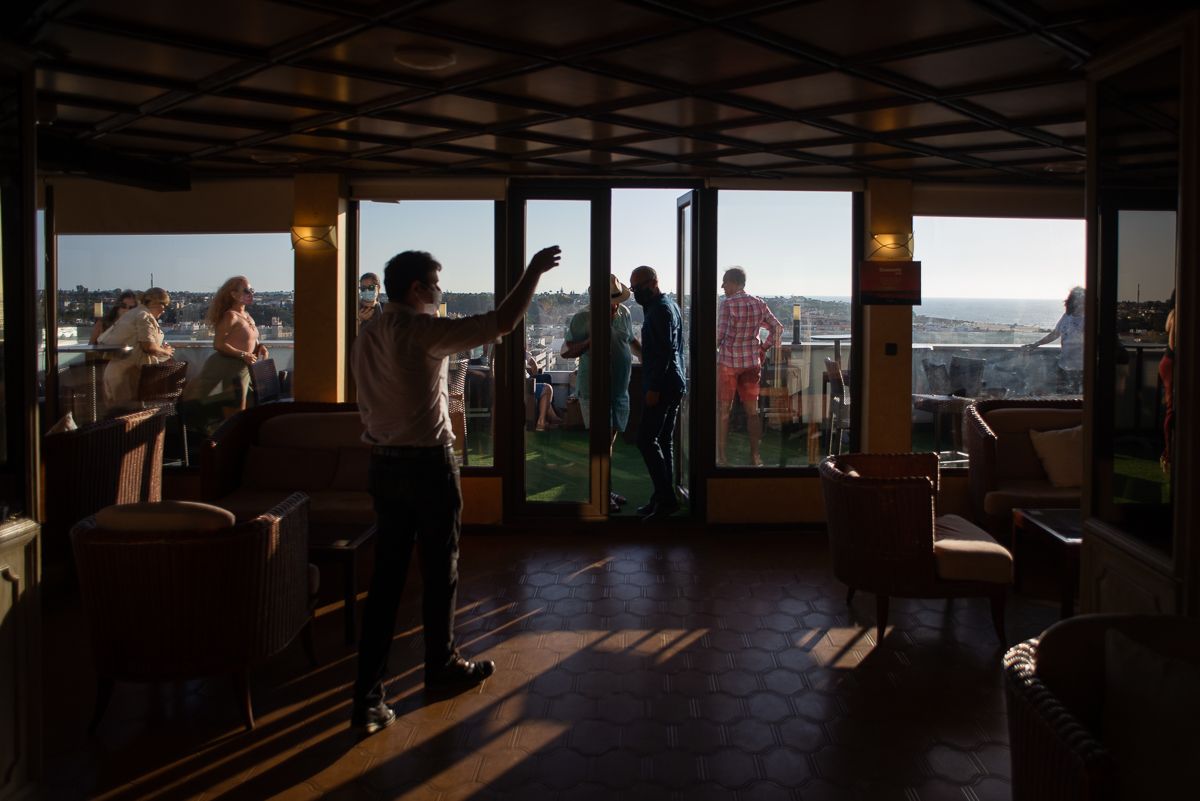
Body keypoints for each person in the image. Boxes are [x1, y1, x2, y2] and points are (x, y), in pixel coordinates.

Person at [350, 245, 561, 735]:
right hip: (427, 465)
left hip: (382, 464)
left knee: (386, 582)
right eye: (436, 283)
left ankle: (368, 698)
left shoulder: (369, 331)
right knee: (440, 570)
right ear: (417, 289)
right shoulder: (423, 331)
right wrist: (532, 271)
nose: (440, 290)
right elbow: (501, 322)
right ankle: (440, 665)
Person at [561, 274, 641, 512]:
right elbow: (566, 351)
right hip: (593, 389)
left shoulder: (624, 313)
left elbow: (630, 340)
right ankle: (600, 493)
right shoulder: (582, 318)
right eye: (610, 301)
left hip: (619, 389)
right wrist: (589, 342)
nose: (615, 306)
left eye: (616, 301)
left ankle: (605, 489)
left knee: (608, 442)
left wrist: (648, 358)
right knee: (601, 442)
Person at [629, 266, 685, 521]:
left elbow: (663, 353)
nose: (635, 292)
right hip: (674, 382)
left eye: (638, 287)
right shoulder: (668, 305)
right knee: (663, 441)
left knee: (646, 440)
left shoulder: (660, 310)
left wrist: (653, 388)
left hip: (663, 385)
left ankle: (666, 499)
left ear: (653, 283)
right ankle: (662, 497)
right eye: (633, 288)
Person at [181, 276, 269, 433]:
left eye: (252, 290)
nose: (251, 294)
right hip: (228, 367)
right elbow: (218, 344)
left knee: (243, 406)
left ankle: (229, 438)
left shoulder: (247, 316)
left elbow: (250, 339)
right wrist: (243, 354)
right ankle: (220, 439)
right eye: (246, 290)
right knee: (234, 408)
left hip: (243, 368)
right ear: (233, 294)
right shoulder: (230, 316)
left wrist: (260, 346)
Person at [716, 267, 783, 467]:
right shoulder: (758, 303)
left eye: (724, 282)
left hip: (728, 364)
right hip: (752, 364)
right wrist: (763, 348)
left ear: (733, 282)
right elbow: (777, 328)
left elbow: (719, 336)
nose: (722, 287)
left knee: (724, 411)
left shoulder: (727, 304)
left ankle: (721, 457)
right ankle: (755, 456)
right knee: (752, 412)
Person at [98, 287, 175, 405]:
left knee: (124, 412)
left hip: (120, 373)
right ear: (156, 303)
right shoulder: (144, 316)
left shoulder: (135, 313)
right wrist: (166, 351)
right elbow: (148, 347)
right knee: (129, 413)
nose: (164, 310)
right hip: (126, 377)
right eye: (164, 305)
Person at [1024, 286, 1085, 394]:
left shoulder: (1088, 319)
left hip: (1081, 369)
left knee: (1075, 398)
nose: (1079, 302)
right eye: (1077, 299)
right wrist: (1036, 344)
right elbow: (1055, 334)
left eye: (1082, 299)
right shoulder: (1067, 316)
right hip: (1064, 366)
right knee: (1062, 396)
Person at [1160, 290, 1176, 471]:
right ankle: (1169, 455)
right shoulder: (1177, 316)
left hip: (1169, 363)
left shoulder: (1174, 314)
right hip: (1172, 364)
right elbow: (1175, 346)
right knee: (1172, 409)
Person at [525, 349, 561, 430]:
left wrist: (533, 379)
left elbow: (533, 364)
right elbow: (533, 364)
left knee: (546, 377)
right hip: (526, 384)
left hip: (528, 381)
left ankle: (552, 416)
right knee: (547, 388)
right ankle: (542, 422)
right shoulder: (521, 351)